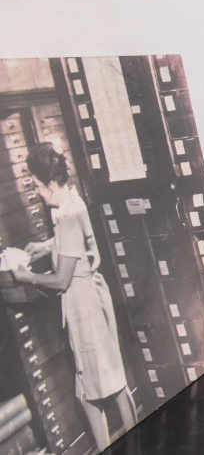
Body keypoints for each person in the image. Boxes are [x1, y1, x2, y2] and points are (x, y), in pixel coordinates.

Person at [11, 143, 137, 447]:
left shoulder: (65, 214)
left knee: (108, 385)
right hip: (90, 300)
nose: (39, 193)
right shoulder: (71, 201)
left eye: (40, 186)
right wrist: (46, 246)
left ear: (52, 183)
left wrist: (26, 276)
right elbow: (75, 243)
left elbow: (62, 279)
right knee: (95, 387)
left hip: (84, 307)